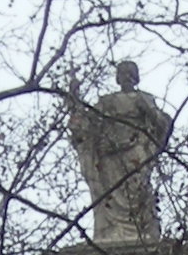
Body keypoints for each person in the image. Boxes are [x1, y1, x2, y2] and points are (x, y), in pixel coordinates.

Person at [68, 60, 172, 243]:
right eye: (123, 73)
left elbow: (162, 124)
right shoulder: (107, 102)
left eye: (130, 73)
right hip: (110, 153)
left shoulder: (144, 99)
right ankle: (112, 230)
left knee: (136, 187)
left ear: (136, 77)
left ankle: (139, 229)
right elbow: (88, 123)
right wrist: (75, 100)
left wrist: (148, 110)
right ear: (117, 77)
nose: (126, 77)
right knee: (110, 190)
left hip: (136, 150)